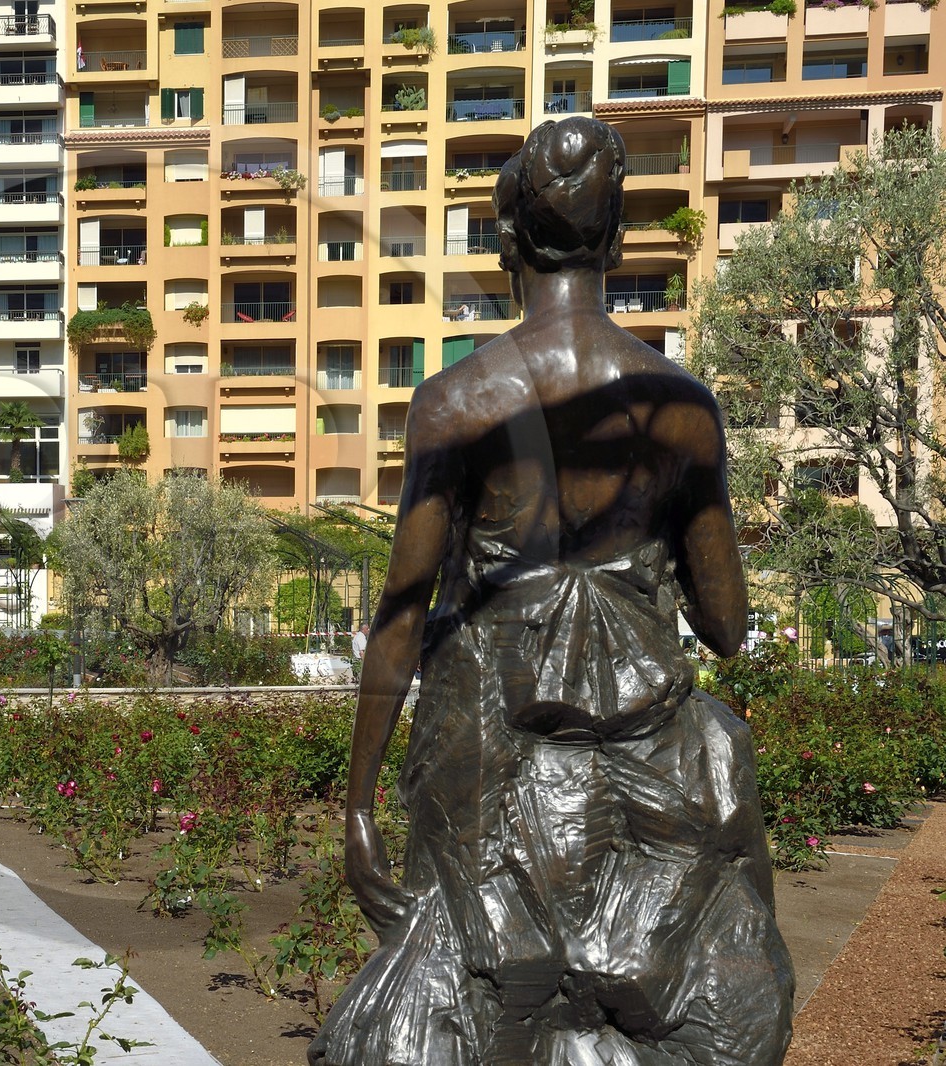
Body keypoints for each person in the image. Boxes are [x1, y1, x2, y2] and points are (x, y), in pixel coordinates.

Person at [311, 117, 793, 1065]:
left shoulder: (456, 401)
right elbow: (727, 625)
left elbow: (400, 617)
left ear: (505, 243)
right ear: (616, 241)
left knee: (478, 1017)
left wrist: (360, 804)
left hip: (485, 766)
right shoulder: (681, 408)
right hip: (646, 775)